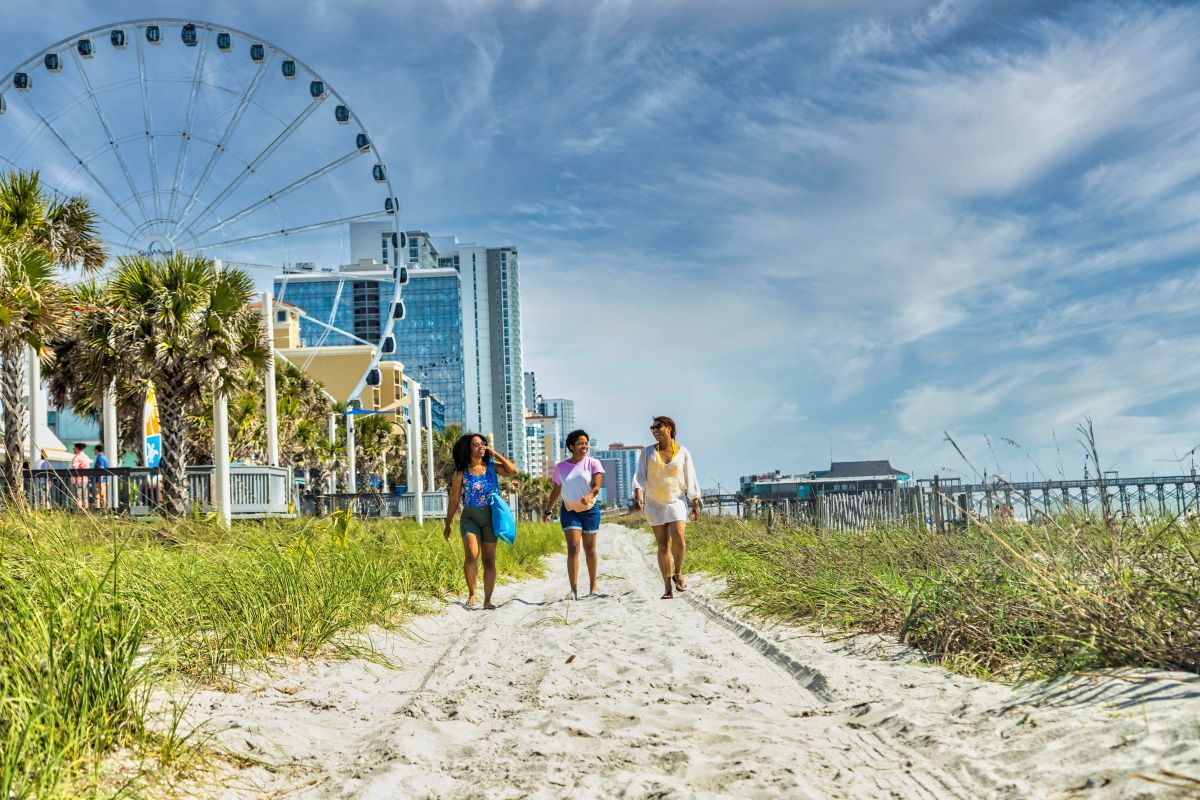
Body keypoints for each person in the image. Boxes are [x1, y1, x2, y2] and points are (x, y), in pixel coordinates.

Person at [442, 433, 518, 609]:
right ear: (468, 448)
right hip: (470, 517)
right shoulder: (461, 471)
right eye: (477, 444)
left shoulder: (491, 467)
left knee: (489, 560)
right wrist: (447, 524)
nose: (481, 446)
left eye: (484, 443)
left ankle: (488, 600)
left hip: (490, 517)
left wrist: (495, 453)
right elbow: (454, 499)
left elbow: (513, 471)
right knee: (471, 554)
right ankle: (473, 593)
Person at [633, 416, 701, 599]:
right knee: (663, 545)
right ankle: (667, 587)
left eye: (658, 426)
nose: (654, 430)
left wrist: (695, 501)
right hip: (654, 503)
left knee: (679, 537)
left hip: (676, 500)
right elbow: (639, 475)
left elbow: (690, 478)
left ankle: (678, 572)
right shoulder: (648, 452)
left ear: (669, 427)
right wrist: (638, 492)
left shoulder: (683, 452)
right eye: (652, 427)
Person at [543, 429, 605, 599]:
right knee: (573, 548)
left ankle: (593, 586)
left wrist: (590, 495)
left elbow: (597, 486)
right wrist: (548, 510)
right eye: (580, 443)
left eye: (586, 443)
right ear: (571, 446)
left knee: (590, 548)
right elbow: (557, 489)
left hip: (590, 510)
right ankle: (574, 589)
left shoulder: (593, 463)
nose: (584, 446)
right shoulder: (561, 467)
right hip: (569, 510)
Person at [70, 443, 91, 510]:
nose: (74, 449)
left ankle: (78, 510)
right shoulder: (86, 457)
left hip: (77, 479)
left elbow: (74, 467)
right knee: (85, 496)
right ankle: (86, 509)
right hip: (85, 479)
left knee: (77, 496)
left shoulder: (77, 457)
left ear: (77, 449)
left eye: (74, 448)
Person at [93, 444, 110, 509]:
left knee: (97, 496)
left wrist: (100, 480)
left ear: (97, 450)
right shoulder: (104, 457)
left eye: (94, 450)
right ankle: (104, 510)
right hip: (105, 480)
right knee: (103, 497)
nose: (94, 451)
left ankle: (97, 510)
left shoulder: (100, 458)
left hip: (101, 480)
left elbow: (101, 469)